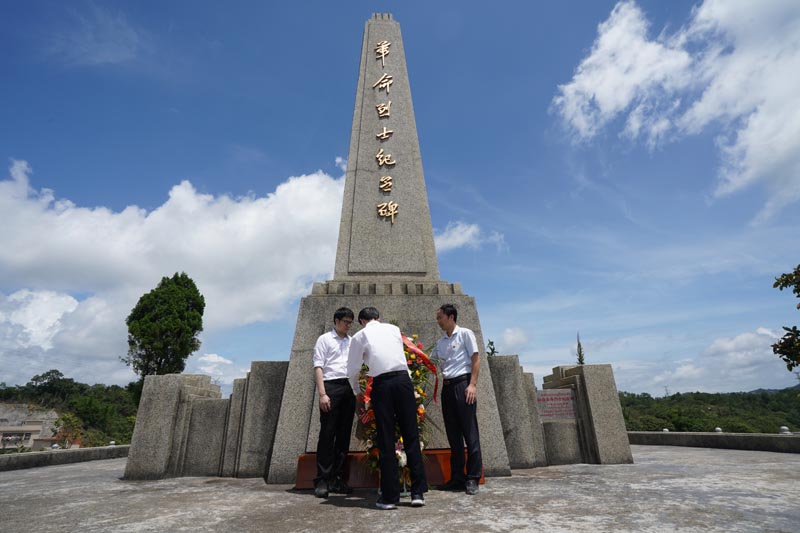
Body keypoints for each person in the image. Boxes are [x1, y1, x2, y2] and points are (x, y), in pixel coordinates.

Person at [347, 307, 428, 510]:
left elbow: (353, 369)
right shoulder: (393, 329)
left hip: (382, 385)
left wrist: (357, 390)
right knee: (411, 435)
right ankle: (417, 493)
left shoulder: (360, 335)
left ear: (362, 321)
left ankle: (390, 498)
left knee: (385, 438)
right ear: (379, 318)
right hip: (403, 382)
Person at [432, 303, 482, 495]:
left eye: (440, 317)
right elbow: (430, 360)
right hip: (447, 388)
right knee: (453, 436)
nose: (438, 321)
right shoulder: (440, 342)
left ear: (451, 317)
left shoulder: (465, 334)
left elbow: (475, 359)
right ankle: (457, 478)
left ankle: (473, 477)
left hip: (463, 385)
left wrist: (473, 384)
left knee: (470, 433)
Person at [312, 307, 356, 498]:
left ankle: (337, 479)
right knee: (328, 434)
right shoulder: (324, 339)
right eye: (345, 321)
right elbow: (318, 367)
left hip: (349, 388)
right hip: (331, 387)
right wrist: (322, 394)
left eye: (350, 322)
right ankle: (322, 479)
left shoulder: (352, 341)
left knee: (344, 435)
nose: (348, 325)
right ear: (336, 320)